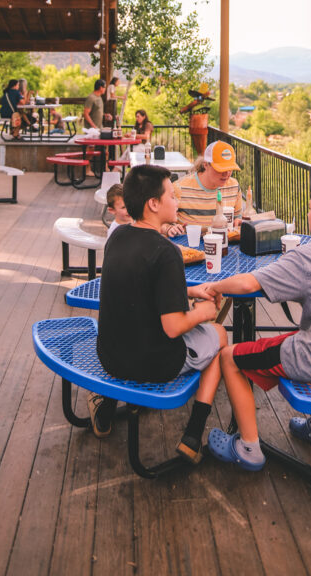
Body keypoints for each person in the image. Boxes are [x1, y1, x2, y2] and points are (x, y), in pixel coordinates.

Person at [193, 181, 311, 471]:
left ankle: (248, 446)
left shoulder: (309, 255)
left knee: (229, 357)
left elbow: (249, 282)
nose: (309, 212)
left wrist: (214, 285)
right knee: (302, 337)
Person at [93, 164, 227, 462]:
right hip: (152, 363)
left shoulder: (118, 237)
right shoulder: (166, 252)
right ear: (153, 204)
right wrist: (204, 312)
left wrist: (191, 291)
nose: (176, 201)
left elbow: (139, 285)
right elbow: (173, 327)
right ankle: (193, 435)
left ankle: (107, 404)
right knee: (219, 336)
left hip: (111, 355)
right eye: (171, 195)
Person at [164, 140, 242, 238]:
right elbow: (161, 222)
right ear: (206, 165)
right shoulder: (180, 187)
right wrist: (168, 228)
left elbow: (237, 219)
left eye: (230, 168)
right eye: (221, 169)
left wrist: (238, 222)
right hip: (188, 245)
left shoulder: (234, 186)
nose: (226, 174)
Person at [180, 83, 213, 155]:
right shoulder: (194, 105)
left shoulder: (201, 106)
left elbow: (184, 109)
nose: (196, 99)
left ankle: (201, 163)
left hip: (201, 129)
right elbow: (183, 110)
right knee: (198, 150)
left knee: (202, 151)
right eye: (196, 97)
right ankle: (199, 163)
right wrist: (200, 98)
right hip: (195, 128)